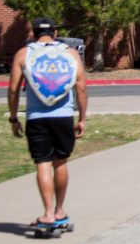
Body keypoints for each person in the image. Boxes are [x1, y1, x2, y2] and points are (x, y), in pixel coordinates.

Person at [7, 17, 88, 230]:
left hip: (36, 117)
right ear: (55, 31)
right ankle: (60, 211)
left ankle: (48, 213)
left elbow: (14, 89)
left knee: (42, 162)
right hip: (64, 116)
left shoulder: (24, 54)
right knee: (60, 162)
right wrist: (82, 118)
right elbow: (81, 88)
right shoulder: (70, 54)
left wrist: (14, 118)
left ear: (32, 33)